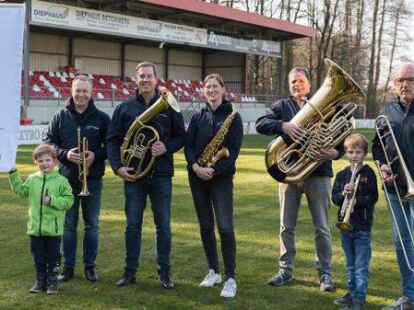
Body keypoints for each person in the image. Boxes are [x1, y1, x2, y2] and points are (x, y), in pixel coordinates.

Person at [255, 67, 343, 291]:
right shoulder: (282, 107)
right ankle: (285, 271)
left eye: (301, 81)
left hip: (319, 173)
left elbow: (343, 134)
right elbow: (260, 123)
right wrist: (282, 125)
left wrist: (335, 153)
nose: (297, 85)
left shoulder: (326, 104)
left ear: (309, 84)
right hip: (289, 174)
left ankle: (325, 274)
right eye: (293, 81)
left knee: (322, 227)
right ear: (289, 84)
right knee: (286, 226)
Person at [107, 61, 185, 289]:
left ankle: (165, 273)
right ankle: (129, 272)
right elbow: (112, 140)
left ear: (156, 79)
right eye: (141, 76)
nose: (145, 80)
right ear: (135, 79)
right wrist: (117, 167)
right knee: (132, 225)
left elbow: (181, 136)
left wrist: (167, 147)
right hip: (134, 176)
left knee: (164, 226)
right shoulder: (124, 108)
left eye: (149, 76)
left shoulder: (169, 106)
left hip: (161, 175)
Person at [44, 75, 111, 282]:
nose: (81, 94)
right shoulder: (60, 116)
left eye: (85, 91)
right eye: (77, 90)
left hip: (92, 180)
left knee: (92, 225)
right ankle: (69, 267)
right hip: (66, 180)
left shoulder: (102, 118)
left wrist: (96, 155)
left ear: (91, 93)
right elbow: (48, 142)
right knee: (68, 225)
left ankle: (90, 267)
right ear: (71, 91)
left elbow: (111, 146)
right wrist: (65, 155)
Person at [184, 73, 243, 298]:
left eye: (215, 87)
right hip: (197, 177)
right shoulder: (198, 115)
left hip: (221, 179)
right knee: (206, 227)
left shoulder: (233, 117)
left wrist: (213, 170)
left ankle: (230, 277)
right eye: (207, 87)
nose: (211, 90)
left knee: (225, 227)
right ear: (203, 91)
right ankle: (213, 271)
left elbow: (233, 152)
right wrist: (196, 167)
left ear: (223, 89)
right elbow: (188, 146)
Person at [372, 63, 414, 310]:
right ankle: (409, 296)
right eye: (400, 80)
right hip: (395, 189)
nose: (405, 84)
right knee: (402, 244)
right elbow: (377, 145)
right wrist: (382, 165)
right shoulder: (387, 110)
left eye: (410, 79)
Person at [8, 144, 73, 294]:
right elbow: (21, 191)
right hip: (35, 229)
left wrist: (52, 200)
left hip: (53, 230)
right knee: (38, 258)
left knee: (53, 258)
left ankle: (52, 282)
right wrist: (13, 174)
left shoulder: (61, 181)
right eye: (41, 161)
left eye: (48, 160)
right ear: (36, 162)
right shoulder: (32, 179)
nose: (44, 164)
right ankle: (40, 281)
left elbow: (69, 201)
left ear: (55, 161)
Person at [332, 133, 378, 310]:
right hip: (345, 227)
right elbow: (335, 199)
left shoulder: (368, 173)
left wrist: (356, 199)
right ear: (346, 153)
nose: (354, 156)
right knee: (350, 264)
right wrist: (344, 194)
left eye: (358, 152)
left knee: (360, 266)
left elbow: (373, 197)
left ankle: (359, 298)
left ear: (365, 153)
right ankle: (351, 293)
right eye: (351, 152)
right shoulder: (342, 175)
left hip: (362, 226)